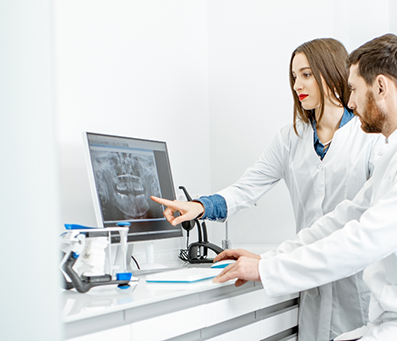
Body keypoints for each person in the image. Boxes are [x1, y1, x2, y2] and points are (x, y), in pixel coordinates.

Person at [212, 33, 397, 341]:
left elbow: (366, 238)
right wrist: (270, 259)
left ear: (381, 87)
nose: (351, 101)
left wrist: (269, 271)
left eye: (354, 89)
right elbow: (345, 217)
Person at [152, 38, 382, 340]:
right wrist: (200, 206)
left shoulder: (369, 138)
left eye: (306, 74)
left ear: (331, 73)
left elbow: (374, 218)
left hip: (358, 285)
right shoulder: (291, 138)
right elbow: (247, 187)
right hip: (308, 282)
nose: (297, 84)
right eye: (294, 76)